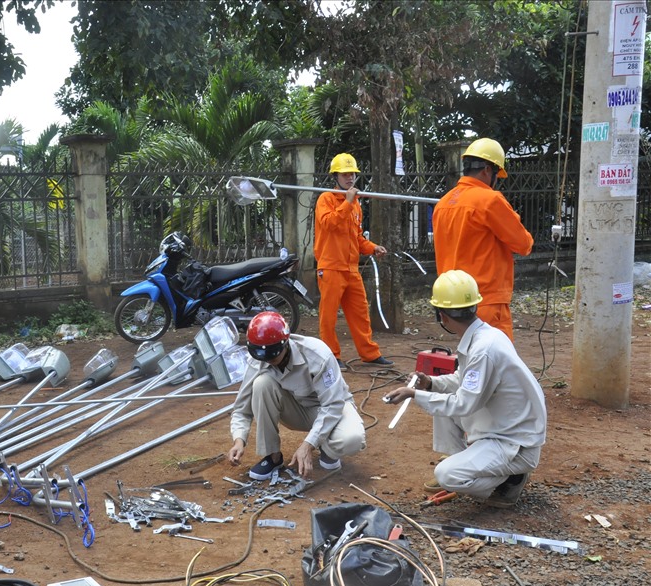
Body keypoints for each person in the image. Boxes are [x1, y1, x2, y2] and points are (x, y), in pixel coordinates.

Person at [384, 271, 547, 508]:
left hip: (516, 444)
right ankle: (466, 461)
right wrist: (430, 383)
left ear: (441, 316)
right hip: (508, 427)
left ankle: (508, 481)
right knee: (440, 398)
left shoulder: (483, 349)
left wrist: (415, 394)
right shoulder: (485, 336)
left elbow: (463, 403)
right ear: (474, 307)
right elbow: (464, 380)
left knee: (447, 476)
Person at [227, 311, 367, 480]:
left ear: (285, 343)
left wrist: (309, 444)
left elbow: (333, 405)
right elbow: (242, 408)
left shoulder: (317, 354)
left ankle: (327, 447)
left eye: (273, 353)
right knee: (261, 384)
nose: (268, 360)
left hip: (332, 406)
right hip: (297, 410)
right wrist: (239, 440)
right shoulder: (259, 359)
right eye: (262, 355)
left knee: (352, 439)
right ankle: (273, 457)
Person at [432, 138, 534, 341]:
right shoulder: (490, 200)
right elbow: (524, 244)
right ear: (488, 170)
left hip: (453, 302)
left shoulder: (443, 203)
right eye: (497, 174)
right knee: (498, 364)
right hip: (485, 298)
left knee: (471, 360)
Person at [313, 152, 393, 368]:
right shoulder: (325, 199)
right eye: (345, 174)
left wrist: (372, 247)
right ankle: (331, 356)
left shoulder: (355, 204)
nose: (350, 178)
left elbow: (356, 238)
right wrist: (347, 202)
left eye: (352, 174)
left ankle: (369, 354)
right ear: (335, 176)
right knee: (328, 317)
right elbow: (329, 224)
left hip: (351, 268)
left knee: (360, 313)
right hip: (330, 267)